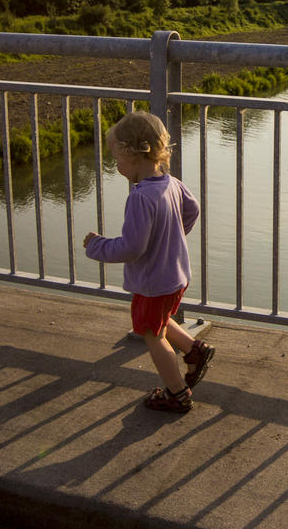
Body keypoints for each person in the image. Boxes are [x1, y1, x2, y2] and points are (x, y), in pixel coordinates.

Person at [84, 110, 215, 414]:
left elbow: (132, 247)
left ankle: (177, 394)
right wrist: (172, 236)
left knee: (151, 334)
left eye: (117, 158)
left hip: (154, 281)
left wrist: (97, 246)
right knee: (160, 319)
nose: (116, 165)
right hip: (176, 274)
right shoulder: (171, 183)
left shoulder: (140, 197)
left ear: (132, 154)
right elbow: (193, 210)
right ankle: (195, 350)